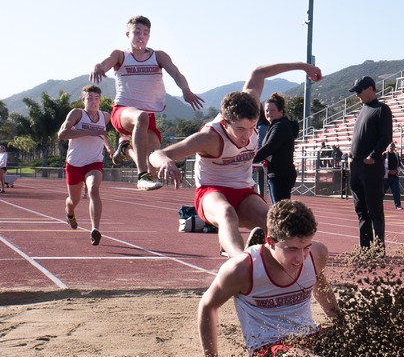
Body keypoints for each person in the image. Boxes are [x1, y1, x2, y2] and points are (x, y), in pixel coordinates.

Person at [150, 62, 322, 258]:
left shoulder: (248, 106)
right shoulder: (210, 138)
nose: (247, 136)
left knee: (274, 222)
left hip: (244, 192)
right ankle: (240, 262)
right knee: (227, 213)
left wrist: (303, 67)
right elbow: (157, 154)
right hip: (211, 192)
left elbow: (259, 72)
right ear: (225, 123)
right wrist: (165, 162)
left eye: (253, 127)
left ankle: (281, 271)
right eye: (240, 129)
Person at [198, 199, 339, 357]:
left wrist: (343, 327)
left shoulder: (316, 254)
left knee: (367, 345)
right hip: (270, 348)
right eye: (292, 249)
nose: (300, 259)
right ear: (270, 241)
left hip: (310, 336)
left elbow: (321, 285)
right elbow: (207, 306)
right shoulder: (241, 270)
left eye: (306, 247)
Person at [89, 15, 204, 191]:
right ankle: (141, 175)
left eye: (145, 33)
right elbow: (106, 63)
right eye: (136, 32)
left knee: (154, 160)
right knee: (140, 117)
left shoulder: (158, 56)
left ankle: (126, 148)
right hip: (123, 111)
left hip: (147, 117)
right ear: (127, 34)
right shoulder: (120, 55)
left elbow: (177, 74)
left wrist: (185, 90)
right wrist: (98, 66)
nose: (141, 36)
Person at [58, 85, 114, 246]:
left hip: (94, 162)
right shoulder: (77, 113)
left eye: (96, 98)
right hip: (74, 163)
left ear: (100, 100)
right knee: (73, 200)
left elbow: (103, 133)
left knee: (93, 190)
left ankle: (95, 229)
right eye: (90, 98)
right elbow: (62, 134)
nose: (93, 102)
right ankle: (69, 211)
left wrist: (109, 148)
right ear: (83, 100)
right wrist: (89, 132)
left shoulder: (105, 116)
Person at [348, 76, 393, 250]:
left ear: (370, 89)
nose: (357, 95)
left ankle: (378, 250)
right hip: (356, 165)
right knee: (361, 210)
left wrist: (373, 155)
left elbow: (386, 137)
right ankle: (365, 249)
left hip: (371, 166)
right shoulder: (363, 109)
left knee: (374, 210)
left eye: (359, 91)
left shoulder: (382, 109)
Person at [254, 92, 299, 204]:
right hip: (278, 173)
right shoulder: (276, 125)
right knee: (280, 208)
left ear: (281, 111)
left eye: (272, 110)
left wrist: (250, 159)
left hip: (280, 175)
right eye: (266, 111)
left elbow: (270, 146)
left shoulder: (280, 126)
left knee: (280, 209)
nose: (269, 113)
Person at [383, 142, 403, 210]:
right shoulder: (384, 155)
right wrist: (388, 171)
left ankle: (398, 205)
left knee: (396, 191)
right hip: (386, 177)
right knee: (382, 191)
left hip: (394, 177)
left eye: (393, 146)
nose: (391, 147)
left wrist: (396, 171)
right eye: (390, 146)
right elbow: (381, 165)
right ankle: (377, 205)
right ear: (388, 147)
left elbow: (399, 165)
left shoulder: (396, 155)